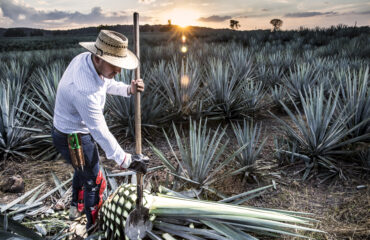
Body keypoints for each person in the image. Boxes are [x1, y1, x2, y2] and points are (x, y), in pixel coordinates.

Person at [52, 30, 148, 233]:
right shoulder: (84, 89)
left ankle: (75, 208)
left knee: (83, 170)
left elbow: (106, 82)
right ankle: (93, 228)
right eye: (115, 65)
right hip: (74, 136)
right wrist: (127, 161)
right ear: (97, 58)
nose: (119, 71)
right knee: (96, 182)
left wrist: (128, 90)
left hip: (67, 129)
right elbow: (100, 130)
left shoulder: (87, 61)